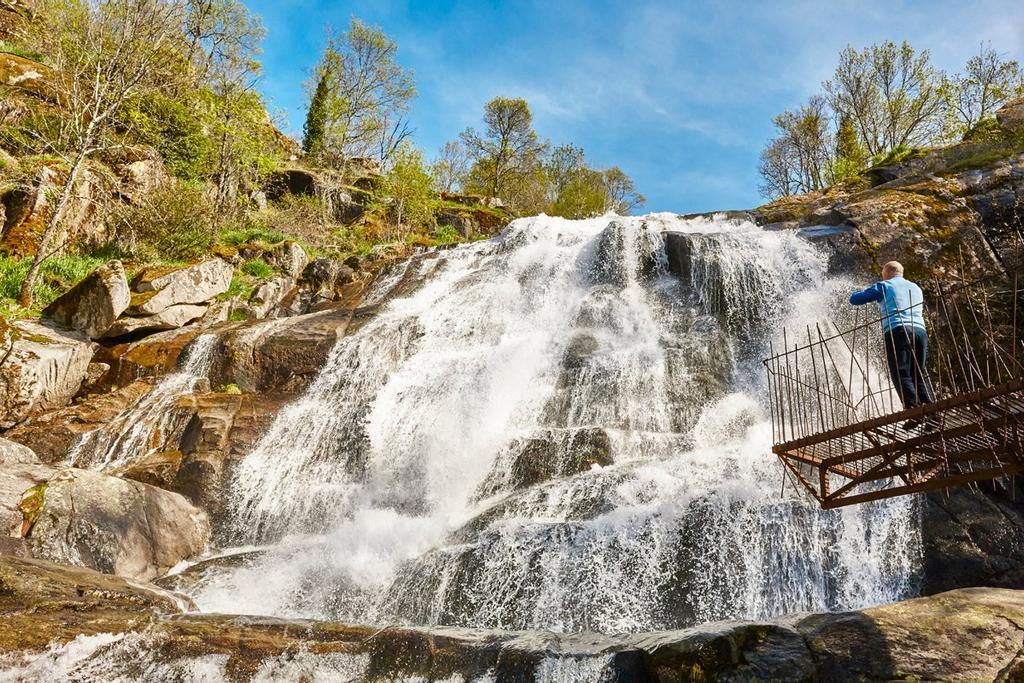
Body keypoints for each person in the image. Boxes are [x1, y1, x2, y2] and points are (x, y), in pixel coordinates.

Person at [849, 261, 935, 427]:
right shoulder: (916, 288)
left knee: (901, 372)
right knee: (918, 373)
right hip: (920, 332)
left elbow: (856, 299)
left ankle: (914, 411)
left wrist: (856, 292)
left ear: (887, 273)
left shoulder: (884, 285)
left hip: (898, 330)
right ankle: (933, 413)